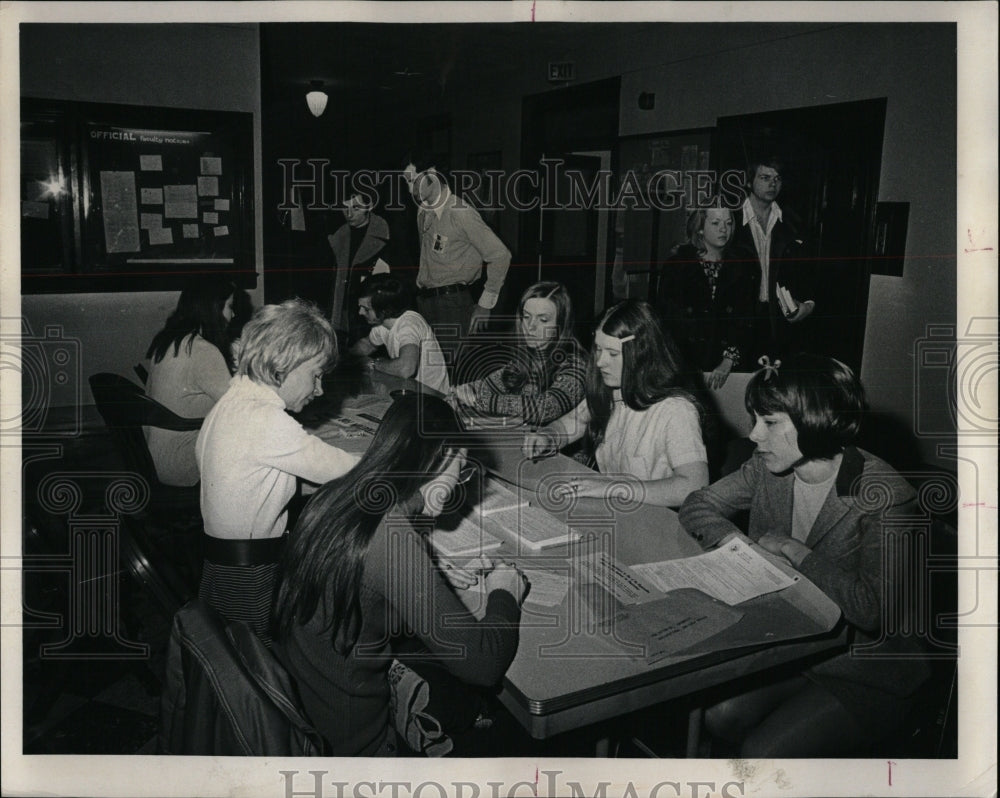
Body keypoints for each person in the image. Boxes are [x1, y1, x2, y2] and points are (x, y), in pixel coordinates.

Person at [679, 353, 931, 756]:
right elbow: (698, 505)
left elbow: (871, 610)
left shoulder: (885, 494)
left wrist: (794, 550)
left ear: (816, 419)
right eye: (754, 419)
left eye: (771, 422)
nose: (754, 435)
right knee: (719, 716)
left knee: (760, 756)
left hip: (865, 668)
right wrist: (739, 547)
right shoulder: (767, 468)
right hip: (794, 650)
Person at [272, 394, 526, 756]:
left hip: (306, 707)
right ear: (441, 457)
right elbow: (481, 665)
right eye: (463, 467)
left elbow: (365, 591)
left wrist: (427, 575)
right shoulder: (391, 537)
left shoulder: (337, 493)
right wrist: (505, 592)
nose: (461, 482)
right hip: (354, 745)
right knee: (507, 739)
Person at [195, 299, 359, 642]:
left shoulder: (233, 401)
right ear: (285, 362)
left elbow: (259, 486)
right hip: (249, 573)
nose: (320, 389)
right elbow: (347, 470)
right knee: (257, 664)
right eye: (315, 376)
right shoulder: (265, 419)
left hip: (222, 565)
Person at [522, 300, 709, 508]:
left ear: (642, 354)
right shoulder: (612, 389)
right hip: (618, 509)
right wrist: (548, 436)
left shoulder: (676, 410)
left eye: (612, 354)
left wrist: (610, 487)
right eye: (598, 350)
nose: (600, 362)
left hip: (657, 518)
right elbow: (575, 421)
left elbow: (693, 486)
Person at [403, 154, 511, 366]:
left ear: (432, 174)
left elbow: (500, 255)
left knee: (454, 372)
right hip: (426, 302)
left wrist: (485, 305)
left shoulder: (460, 212)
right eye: (406, 182)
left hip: (452, 304)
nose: (409, 189)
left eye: (412, 180)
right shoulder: (422, 212)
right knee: (431, 372)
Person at [144, 275, 240, 487]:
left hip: (152, 456)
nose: (233, 315)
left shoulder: (169, 340)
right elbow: (238, 409)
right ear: (214, 308)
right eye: (230, 307)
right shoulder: (203, 350)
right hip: (180, 463)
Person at [452, 281, 587, 426]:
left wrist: (479, 400)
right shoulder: (524, 361)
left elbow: (546, 408)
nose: (530, 327)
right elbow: (486, 386)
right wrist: (465, 390)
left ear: (561, 324)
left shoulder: (575, 365)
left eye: (543, 320)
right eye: (526, 317)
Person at [656, 205, 755, 389]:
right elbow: (668, 321)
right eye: (716, 223)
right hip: (684, 367)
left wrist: (728, 361)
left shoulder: (742, 266)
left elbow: (746, 320)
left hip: (729, 370)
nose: (724, 229)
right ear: (700, 227)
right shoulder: (677, 266)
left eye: (728, 223)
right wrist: (687, 368)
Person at [729, 157, 816, 360]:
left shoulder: (793, 222)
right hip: (737, 322)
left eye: (777, 178)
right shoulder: (729, 220)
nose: (772, 183)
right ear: (749, 182)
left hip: (778, 322)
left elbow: (808, 271)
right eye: (765, 177)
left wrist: (808, 304)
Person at [349, 274, 451, 394]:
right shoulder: (383, 324)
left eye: (366, 309)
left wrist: (373, 363)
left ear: (384, 310)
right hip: (412, 390)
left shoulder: (409, 324)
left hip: (432, 397)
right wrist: (343, 357)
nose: (360, 312)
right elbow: (367, 344)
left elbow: (406, 369)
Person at [328, 191, 392, 338]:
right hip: (340, 315)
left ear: (369, 206)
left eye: (356, 208)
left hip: (370, 318)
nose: (349, 214)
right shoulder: (337, 238)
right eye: (345, 208)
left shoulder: (386, 238)